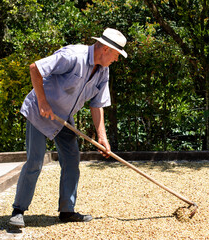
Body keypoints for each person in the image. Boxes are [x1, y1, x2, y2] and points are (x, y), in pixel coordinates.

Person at [9, 28, 127, 227]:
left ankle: (67, 211)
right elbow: (35, 68)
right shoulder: (73, 56)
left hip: (63, 117)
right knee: (36, 160)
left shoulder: (103, 71)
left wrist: (102, 137)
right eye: (116, 55)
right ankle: (18, 210)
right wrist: (43, 102)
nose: (116, 60)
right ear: (106, 49)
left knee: (72, 159)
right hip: (40, 111)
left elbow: (97, 104)